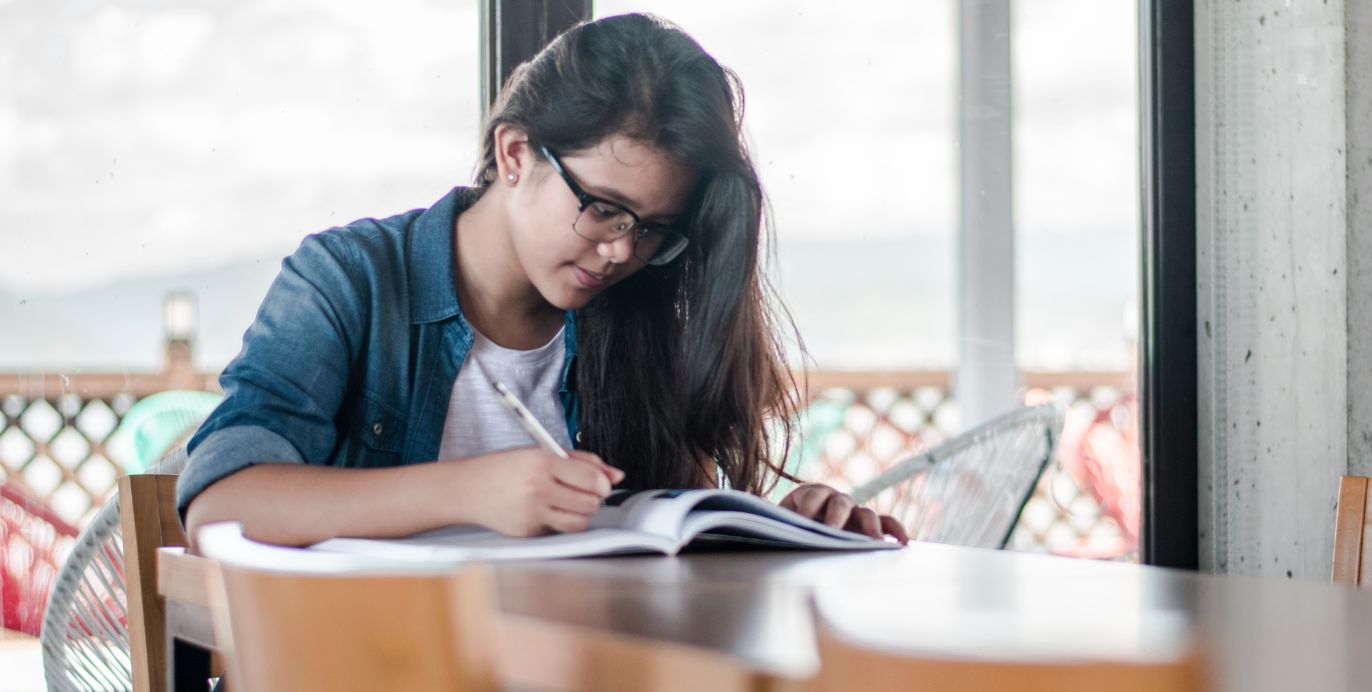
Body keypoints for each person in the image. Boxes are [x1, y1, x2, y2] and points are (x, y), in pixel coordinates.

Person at [178, 12, 909, 547]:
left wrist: (789, 527)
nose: (623, 252)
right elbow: (221, 502)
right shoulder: (350, 280)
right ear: (517, 152)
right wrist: (470, 489)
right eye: (604, 210)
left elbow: (672, 544)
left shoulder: (636, 316)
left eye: (652, 228)